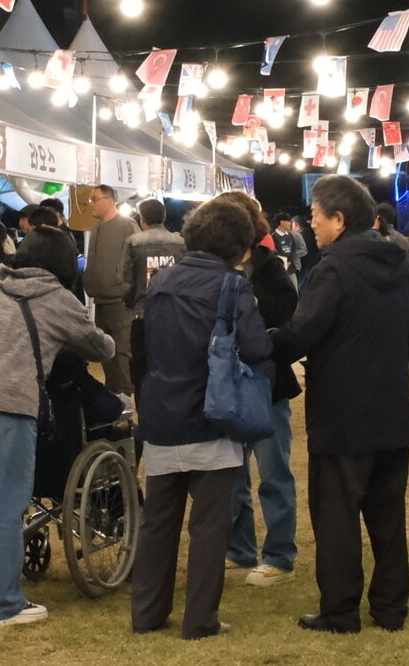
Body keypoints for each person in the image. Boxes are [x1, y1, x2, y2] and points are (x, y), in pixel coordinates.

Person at [0, 226, 114, 625]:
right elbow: (99, 346)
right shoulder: (59, 298)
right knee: (6, 505)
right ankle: (5, 604)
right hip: (11, 405)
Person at [272, 175, 409, 634]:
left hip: (342, 411)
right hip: (391, 408)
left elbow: (302, 333)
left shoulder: (333, 267)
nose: (310, 224)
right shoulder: (399, 261)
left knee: (336, 517)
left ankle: (340, 612)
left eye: (315, 216)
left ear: (339, 218)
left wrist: (259, 341)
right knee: (388, 516)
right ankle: (391, 610)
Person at [131, 198, 271, 639]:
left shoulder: (159, 283)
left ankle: (148, 614)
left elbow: (142, 347)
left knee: (159, 522)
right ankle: (200, 620)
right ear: (238, 245)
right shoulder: (232, 288)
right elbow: (257, 348)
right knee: (210, 527)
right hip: (213, 414)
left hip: (161, 412)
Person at [214, 192, 300, 589]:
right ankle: (239, 548)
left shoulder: (269, 265)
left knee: (273, 473)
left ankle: (280, 554)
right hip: (227, 382)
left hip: (268, 385)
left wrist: (246, 298)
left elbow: (287, 308)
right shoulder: (213, 264)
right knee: (231, 474)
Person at [118, 198, 187, 398]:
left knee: (141, 370)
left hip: (143, 314)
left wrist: (131, 302)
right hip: (175, 315)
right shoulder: (180, 243)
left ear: (143, 218)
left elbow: (126, 282)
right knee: (172, 368)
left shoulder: (134, 242)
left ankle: (145, 415)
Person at [83, 185, 141, 395]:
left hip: (120, 301)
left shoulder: (128, 225)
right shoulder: (97, 227)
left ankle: (126, 393)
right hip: (100, 299)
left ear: (109, 200)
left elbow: (135, 259)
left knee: (122, 350)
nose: (90, 203)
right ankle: (113, 392)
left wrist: (124, 287)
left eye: (94, 199)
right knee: (105, 350)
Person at [271, 213, 306, 278]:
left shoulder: (293, 236)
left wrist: (291, 259)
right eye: (288, 221)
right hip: (280, 269)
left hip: (292, 268)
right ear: (281, 222)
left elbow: (296, 250)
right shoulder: (273, 237)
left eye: (290, 222)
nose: (290, 223)